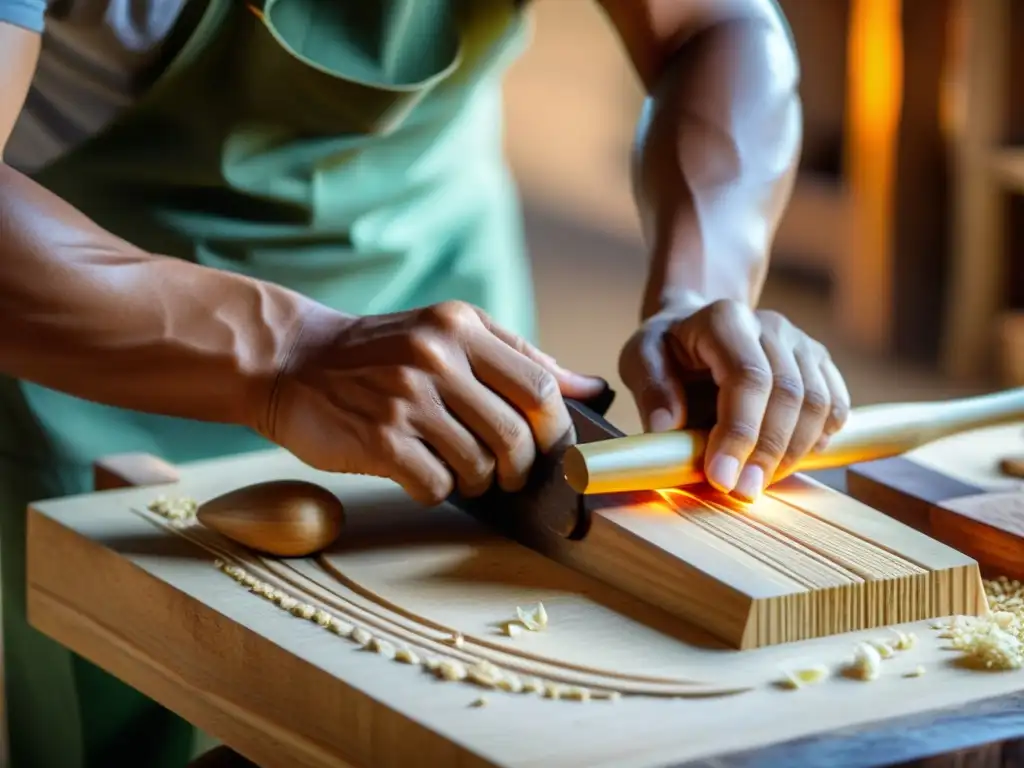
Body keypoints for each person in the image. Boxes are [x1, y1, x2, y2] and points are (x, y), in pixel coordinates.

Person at [0, 0, 851, 765]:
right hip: (103, 323)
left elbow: (712, 24)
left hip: (450, 303)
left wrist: (699, 291)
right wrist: (288, 353)